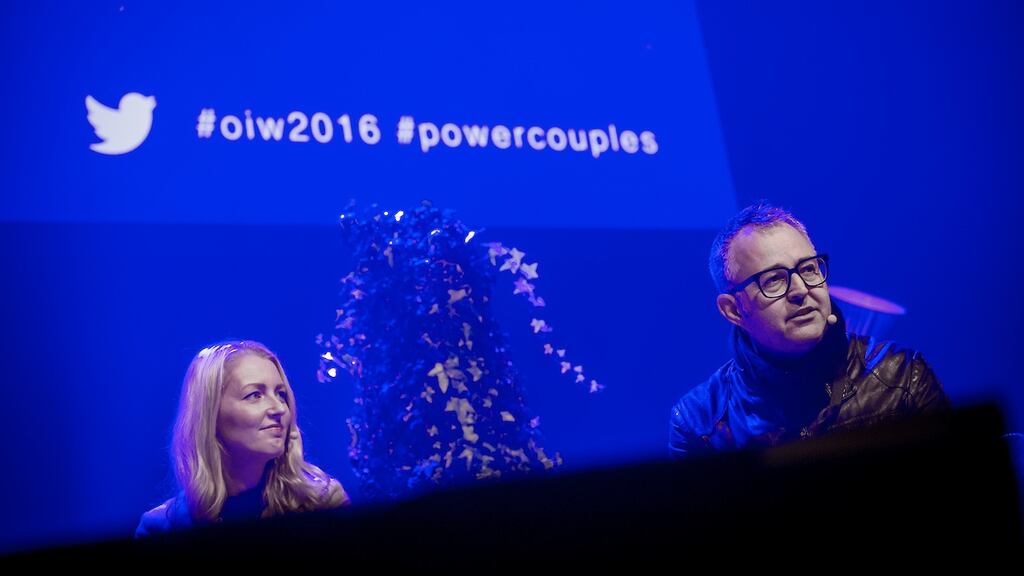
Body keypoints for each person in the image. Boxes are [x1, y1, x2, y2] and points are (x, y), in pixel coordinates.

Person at [670, 201, 950, 458]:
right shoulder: (699, 421)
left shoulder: (902, 376)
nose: (801, 290)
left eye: (808, 269)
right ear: (733, 310)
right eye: (773, 280)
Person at [136, 341, 348, 536]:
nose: (279, 409)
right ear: (211, 415)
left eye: (281, 394)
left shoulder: (322, 502)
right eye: (255, 395)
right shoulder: (159, 528)